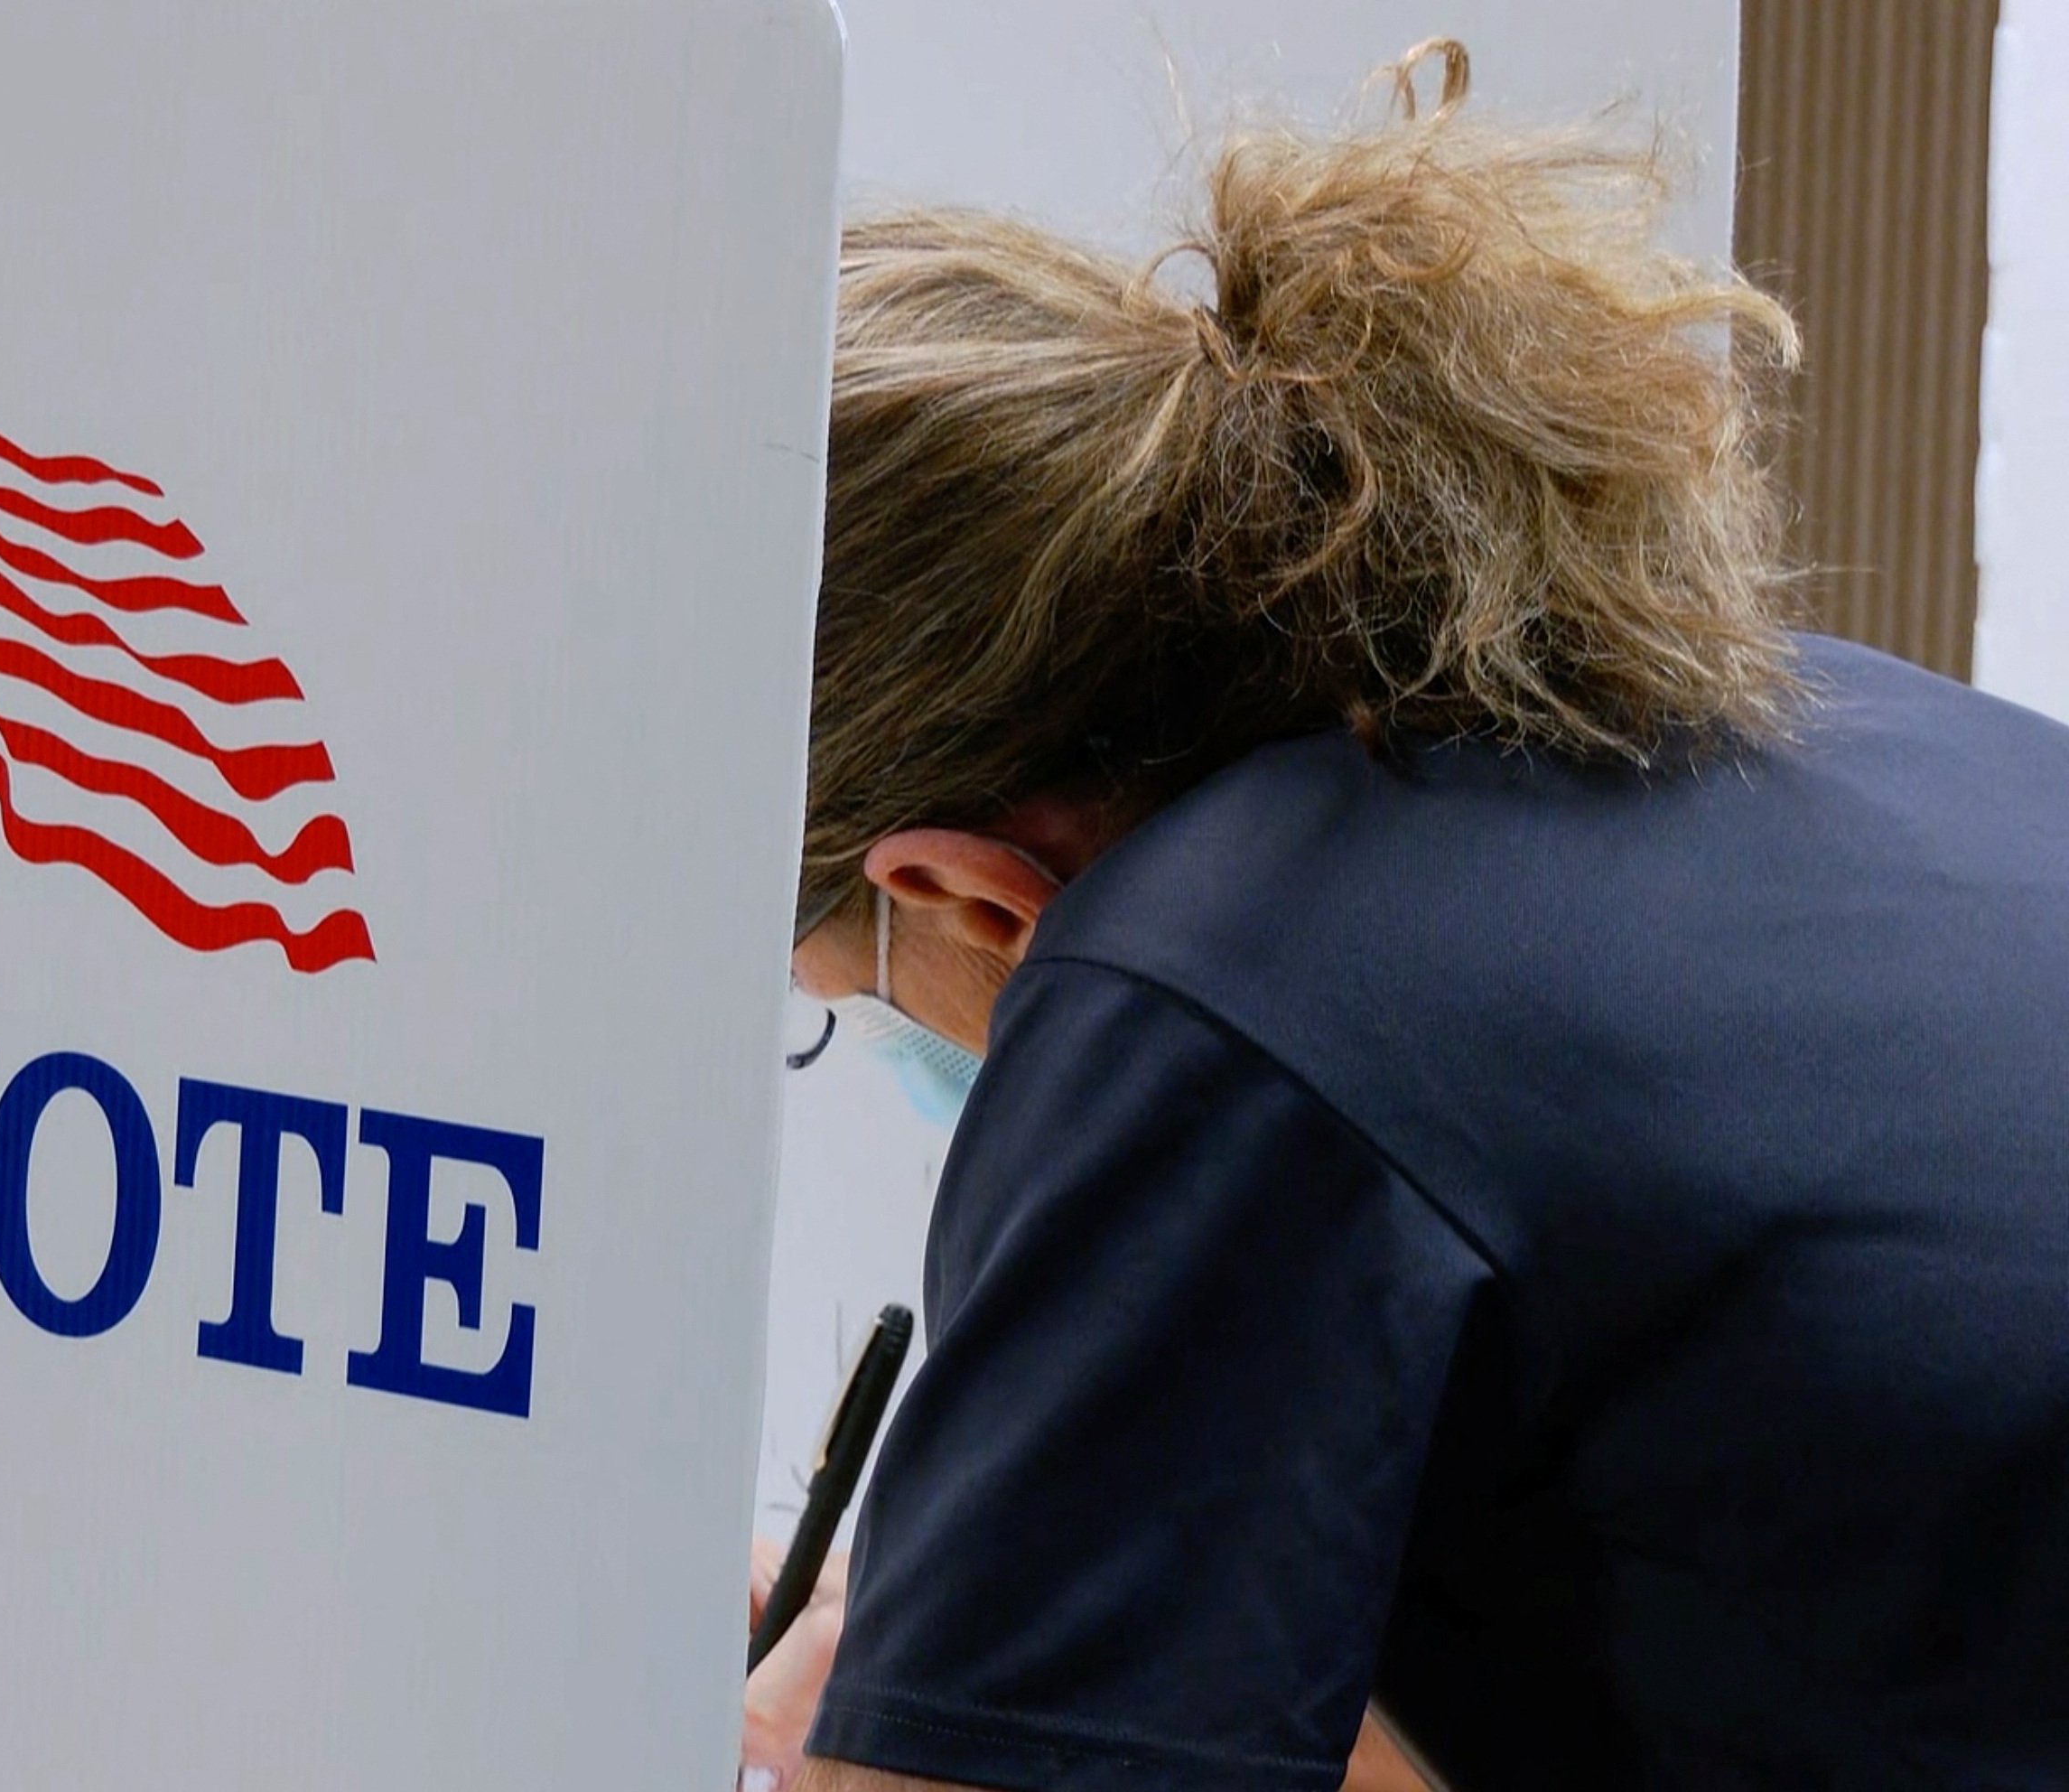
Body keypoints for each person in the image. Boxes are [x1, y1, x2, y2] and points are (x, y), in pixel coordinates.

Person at [747, 40, 2069, 1792]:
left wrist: (886, 1721)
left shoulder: (1200, 980)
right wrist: (1008, 1630)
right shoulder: (1796, 716)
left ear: (956, 890)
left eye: (844, 994)